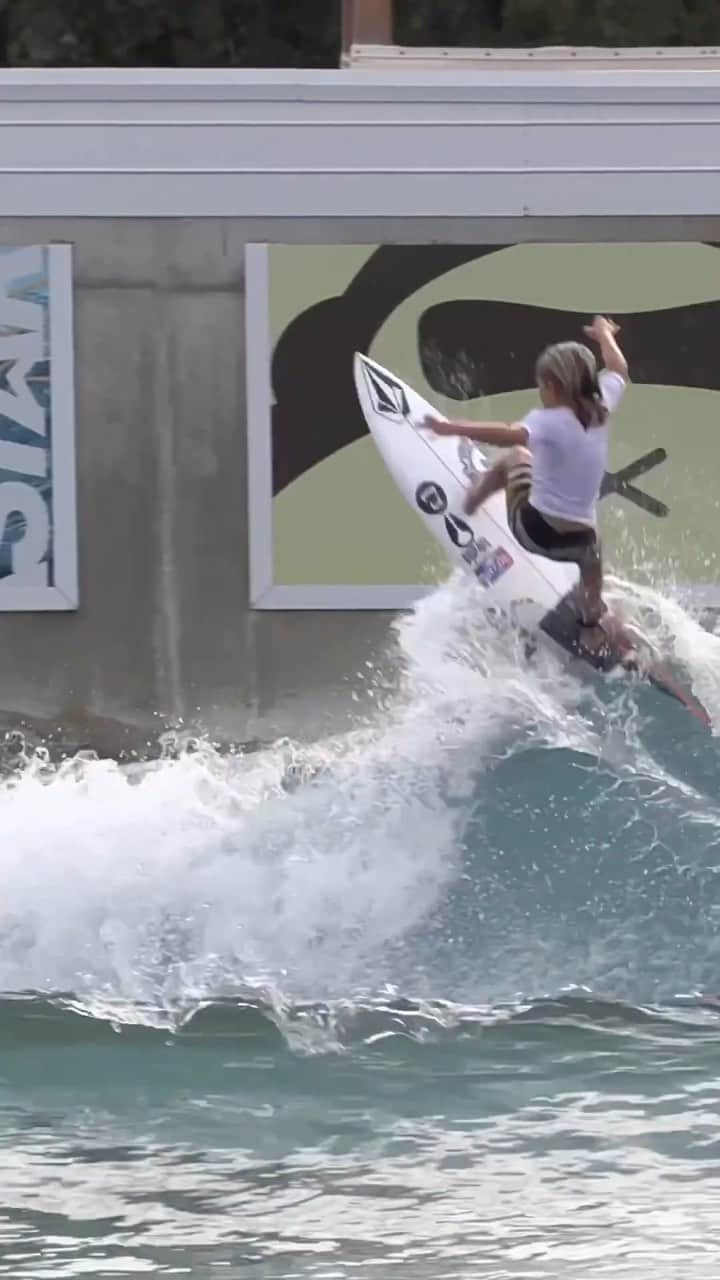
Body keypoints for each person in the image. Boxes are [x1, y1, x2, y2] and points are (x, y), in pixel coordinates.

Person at [423, 316, 628, 655]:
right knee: (592, 572)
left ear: (553, 386)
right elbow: (618, 366)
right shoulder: (602, 403)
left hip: (536, 531)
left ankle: (476, 497)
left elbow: (505, 433)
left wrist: (449, 428)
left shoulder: (547, 422)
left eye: (541, 385)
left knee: (517, 456)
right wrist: (605, 335)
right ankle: (591, 627)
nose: (539, 391)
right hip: (579, 542)